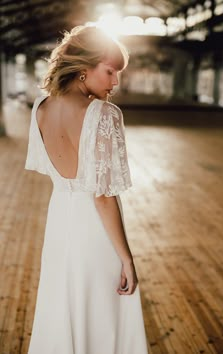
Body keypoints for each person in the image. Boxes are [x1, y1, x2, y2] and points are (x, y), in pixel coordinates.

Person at [25, 25, 149, 354]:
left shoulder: (40, 109)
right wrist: (127, 259)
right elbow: (103, 196)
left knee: (61, 307)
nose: (115, 82)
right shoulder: (104, 115)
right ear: (84, 69)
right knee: (104, 315)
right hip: (95, 233)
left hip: (60, 225)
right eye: (110, 71)